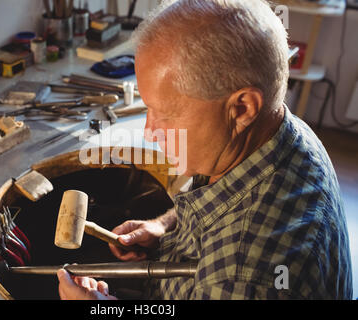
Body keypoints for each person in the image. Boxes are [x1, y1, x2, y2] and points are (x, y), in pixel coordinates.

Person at [57, 0, 353, 299]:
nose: (150, 130)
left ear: (242, 107)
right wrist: (165, 226)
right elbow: (221, 199)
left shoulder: (245, 280)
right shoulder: (279, 133)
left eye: (166, 113)